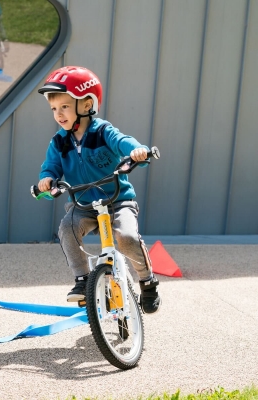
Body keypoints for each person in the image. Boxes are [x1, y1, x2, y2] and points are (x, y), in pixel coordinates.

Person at [36, 66, 160, 314]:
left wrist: (137, 151)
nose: (58, 114)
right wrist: (46, 180)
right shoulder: (59, 142)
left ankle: (147, 281)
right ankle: (82, 280)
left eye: (64, 107)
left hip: (117, 200)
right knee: (67, 229)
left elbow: (124, 142)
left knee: (126, 238)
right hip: (83, 205)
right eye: (54, 109)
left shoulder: (103, 132)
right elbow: (50, 167)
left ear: (86, 105)